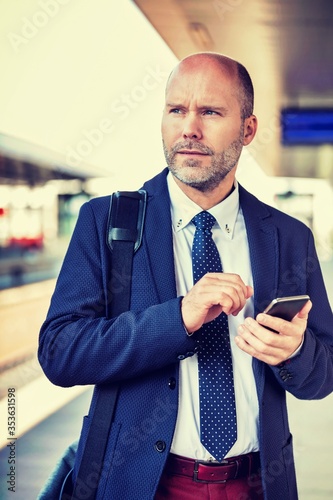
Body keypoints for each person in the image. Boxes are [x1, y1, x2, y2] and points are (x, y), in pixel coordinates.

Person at [38, 52, 333, 500]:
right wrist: (177, 318)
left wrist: (296, 351)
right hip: (141, 486)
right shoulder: (106, 221)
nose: (189, 128)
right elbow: (60, 353)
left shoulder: (289, 237)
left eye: (210, 112)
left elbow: (324, 375)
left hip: (258, 485)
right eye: (177, 110)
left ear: (248, 129)